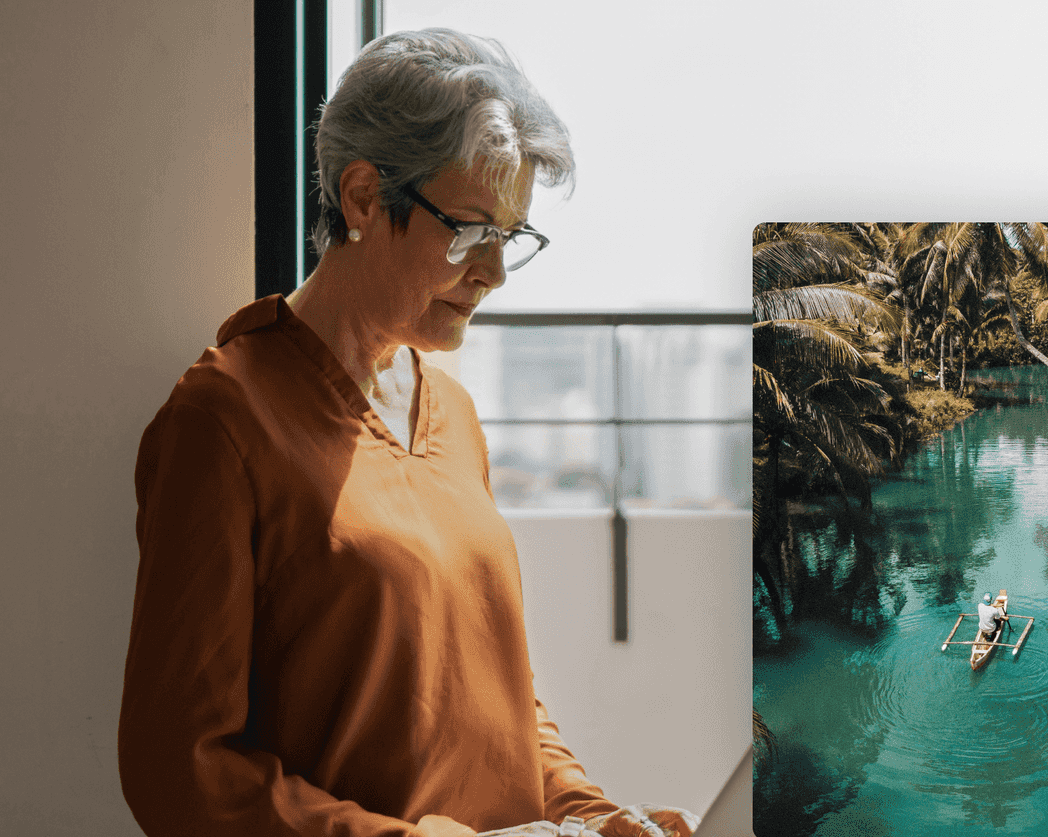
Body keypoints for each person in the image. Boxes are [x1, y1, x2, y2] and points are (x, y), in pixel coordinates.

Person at [118, 29, 693, 837]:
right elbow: (178, 770)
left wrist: (594, 816)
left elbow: (501, 696)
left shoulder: (452, 415)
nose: (492, 272)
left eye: (512, 237)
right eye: (470, 230)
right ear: (361, 198)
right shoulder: (222, 421)